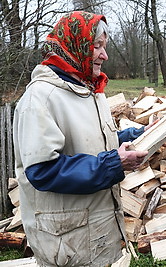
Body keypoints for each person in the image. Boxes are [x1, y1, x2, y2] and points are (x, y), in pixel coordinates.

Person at [13, 11, 150, 266]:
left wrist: (139, 136)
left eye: (104, 47)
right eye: (96, 46)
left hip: (95, 233)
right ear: (73, 45)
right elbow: (43, 170)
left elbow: (91, 142)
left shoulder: (88, 90)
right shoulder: (40, 99)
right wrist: (112, 164)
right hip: (67, 242)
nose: (104, 55)